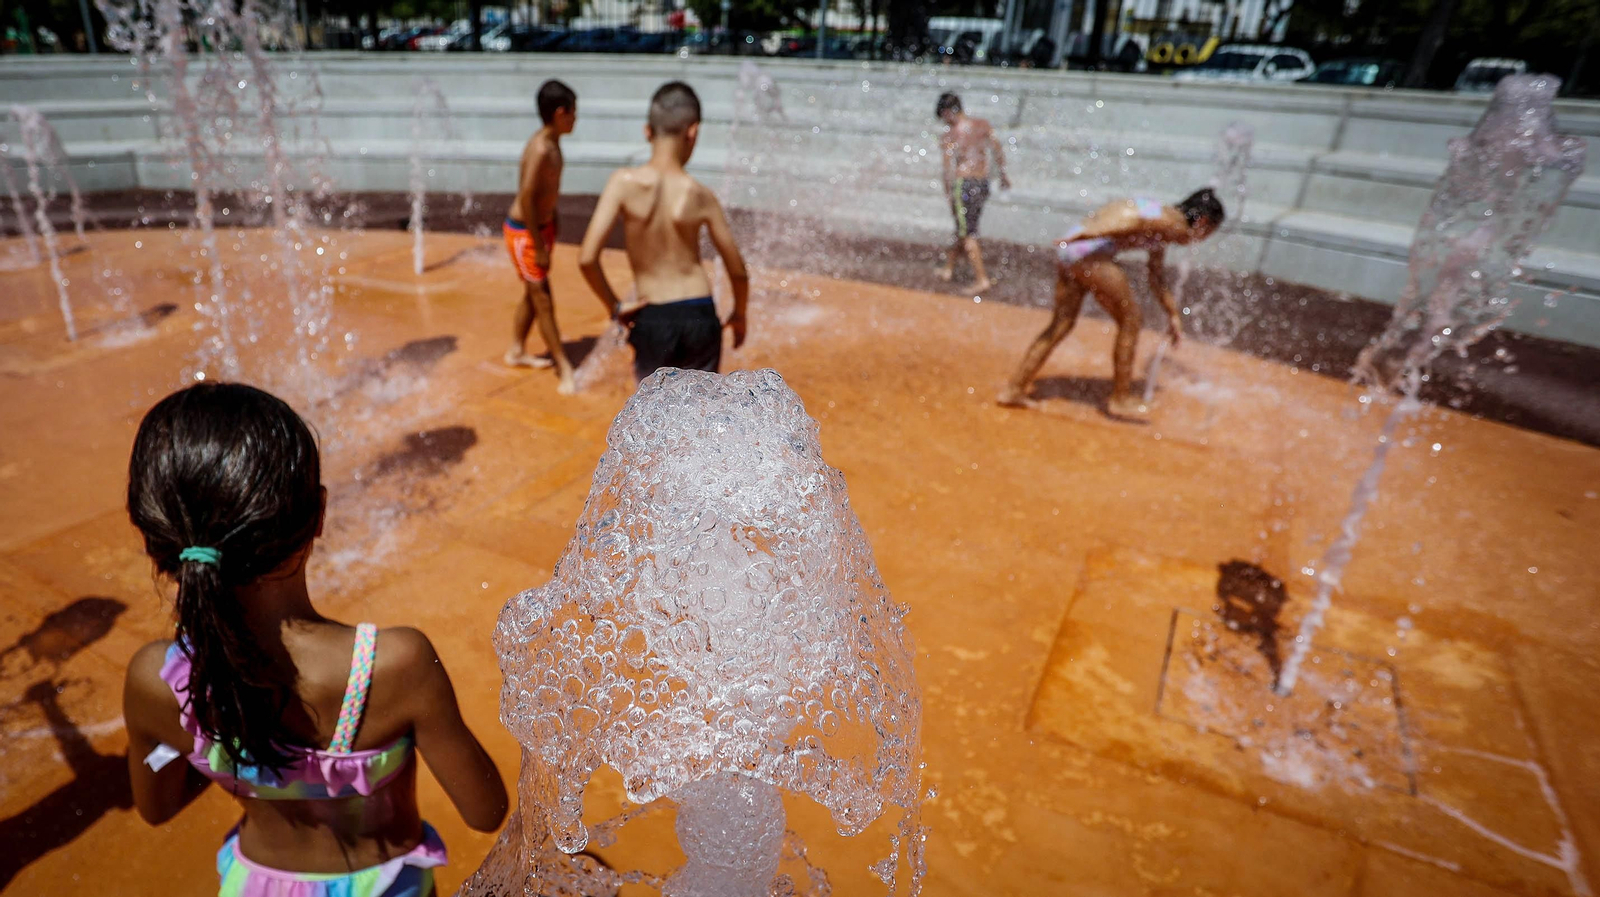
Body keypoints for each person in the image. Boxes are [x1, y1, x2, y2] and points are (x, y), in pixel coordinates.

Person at [121, 383, 508, 897]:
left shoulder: (157, 680)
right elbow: (485, 811)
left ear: (157, 545)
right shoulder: (392, 665)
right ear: (318, 513)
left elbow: (157, 807)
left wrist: (220, 745)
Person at [998, 188, 1226, 418]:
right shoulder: (1174, 223)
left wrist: (1172, 314)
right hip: (1088, 249)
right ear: (1203, 222)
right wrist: (1090, 235)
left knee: (1061, 324)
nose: (1201, 240)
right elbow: (1131, 222)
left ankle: (1014, 389)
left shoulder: (1161, 218)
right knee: (1131, 320)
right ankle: (1120, 398)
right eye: (1208, 233)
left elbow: (1156, 276)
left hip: (1071, 251)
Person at [577, 81, 749, 381]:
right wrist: (740, 314)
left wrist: (615, 306)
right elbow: (738, 271)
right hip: (699, 313)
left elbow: (587, 258)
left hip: (652, 314)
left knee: (652, 415)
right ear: (693, 132)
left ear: (648, 131)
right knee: (700, 412)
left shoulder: (622, 183)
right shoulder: (700, 195)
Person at [504, 79, 579, 393]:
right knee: (543, 300)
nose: (576, 119)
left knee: (532, 296)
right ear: (560, 113)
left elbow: (547, 193)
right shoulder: (540, 149)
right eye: (573, 113)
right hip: (525, 234)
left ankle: (517, 350)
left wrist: (554, 221)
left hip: (542, 228)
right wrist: (537, 243)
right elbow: (526, 197)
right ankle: (564, 368)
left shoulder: (553, 141)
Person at [935, 92, 1010, 295]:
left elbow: (947, 167)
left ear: (947, 112)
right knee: (965, 227)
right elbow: (997, 149)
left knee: (968, 232)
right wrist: (1003, 175)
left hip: (964, 184)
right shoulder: (982, 125)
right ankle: (949, 268)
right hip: (982, 183)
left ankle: (981, 279)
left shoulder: (950, 135)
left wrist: (948, 192)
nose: (944, 123)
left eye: (943, 117)